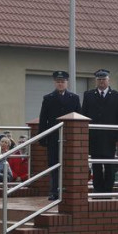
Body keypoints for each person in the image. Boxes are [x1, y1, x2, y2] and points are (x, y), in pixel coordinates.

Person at [38, 70, 81, 200]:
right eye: (58, 82)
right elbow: (43, 119)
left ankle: (68, 192)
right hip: (53, 138)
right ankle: (54, 191)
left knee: (69, 165)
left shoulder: (74, 98)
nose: (60, 84)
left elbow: (79, 117)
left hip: (69, 138)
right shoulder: (48, 98)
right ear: (54, 83)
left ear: (67, 83)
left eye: (62, 82)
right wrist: (43, 137)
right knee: (54, 165)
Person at [81, 68, 118, 193]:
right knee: (96, 164)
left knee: (109, 165)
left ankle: (108, 189)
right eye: (99, 80)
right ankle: (98, 188)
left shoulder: (117, 96)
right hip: (94, 136)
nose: (101, 82)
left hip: (110, 137)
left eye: (103, 79)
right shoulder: (88, 95)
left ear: (108, 80)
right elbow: (84, 115)